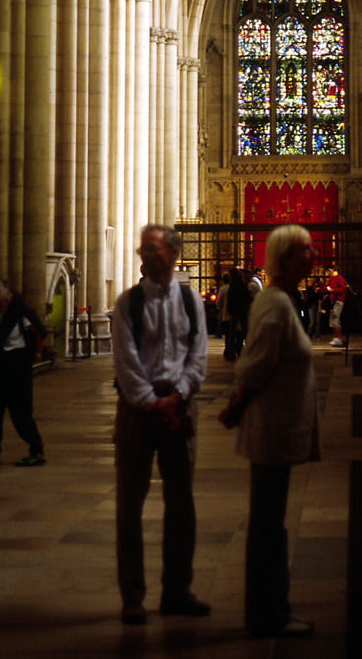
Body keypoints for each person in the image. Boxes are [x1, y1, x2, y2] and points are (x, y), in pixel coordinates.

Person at [219, 224, 320, 638]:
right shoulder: (274, 303)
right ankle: (267, 612)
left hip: (280, 425)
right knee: (266, 525)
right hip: (271, 427)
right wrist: (237, 406)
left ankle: (270, 607)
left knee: (270, 522)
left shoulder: (280, 299)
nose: (313, 256)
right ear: (283, 258)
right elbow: (255, 365)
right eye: (305, 251)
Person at [111, 223, 210, 626]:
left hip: (179, 407)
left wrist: (178, 396)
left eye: (153, 250)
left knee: (182, 504)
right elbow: (126, 360)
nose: (146, 256)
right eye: (143, 250)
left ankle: (177, 591)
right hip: (138, 410)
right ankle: (132, 596)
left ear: (172, 253)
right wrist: (153, 403)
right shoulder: (127, 303)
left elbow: (198, 354)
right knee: (129, 506)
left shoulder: (190, 301)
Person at [0, 279, 47, 466]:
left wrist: (37, 354)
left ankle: (37, 451)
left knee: (21, 413)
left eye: (2, 303)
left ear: (10, 298)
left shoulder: (21, 311)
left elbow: (41, 334)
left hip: (17, 368)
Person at [325, 266, 346, 347]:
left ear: (333, 269)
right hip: (334, 301)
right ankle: (337, 338)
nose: (328, 272)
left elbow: (343, 288)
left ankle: (338, 338)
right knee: (335, 320)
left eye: (329, 270)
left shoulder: (338, 277)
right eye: (327, 271)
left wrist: (333, 290)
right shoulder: (331, 278)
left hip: (338, 300)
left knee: (334, 319)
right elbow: (327, 287)